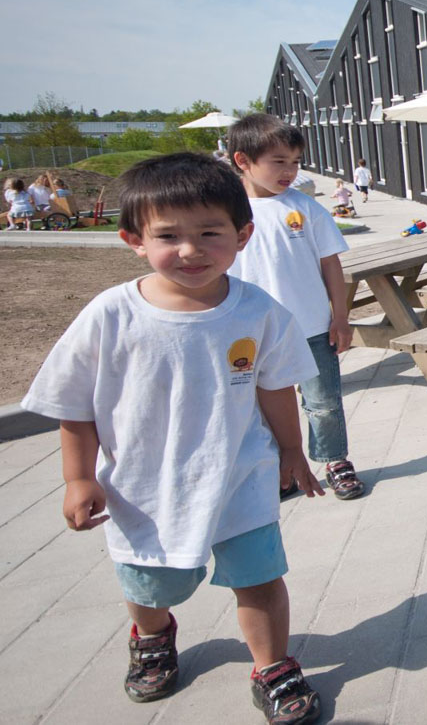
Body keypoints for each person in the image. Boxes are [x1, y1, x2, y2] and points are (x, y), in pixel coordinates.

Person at [21, 152, 326, 721]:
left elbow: (277, 388)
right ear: (133, 239)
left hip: (242, 475)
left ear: (242, 236)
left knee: (261, 580)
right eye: (169, 236)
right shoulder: (110, 314)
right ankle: (152, 635)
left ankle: (273, 664)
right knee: (149, 581)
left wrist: (291, 451)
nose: (190, 250)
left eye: (210, 233)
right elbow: (74, 405)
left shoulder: (257, 311)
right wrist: (79, 477)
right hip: (143, 487)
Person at [228, 114, 365, 502]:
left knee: (323, 402)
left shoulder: (304, 207)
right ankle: (279, 469)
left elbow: (331, 263)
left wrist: (340, 317)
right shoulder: (225, 213)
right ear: (243, 160)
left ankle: (334, 460)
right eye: (278, 161)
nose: (289, 171)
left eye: (294, 161)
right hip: (252, 333)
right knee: (261, 404)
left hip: (312, 327)